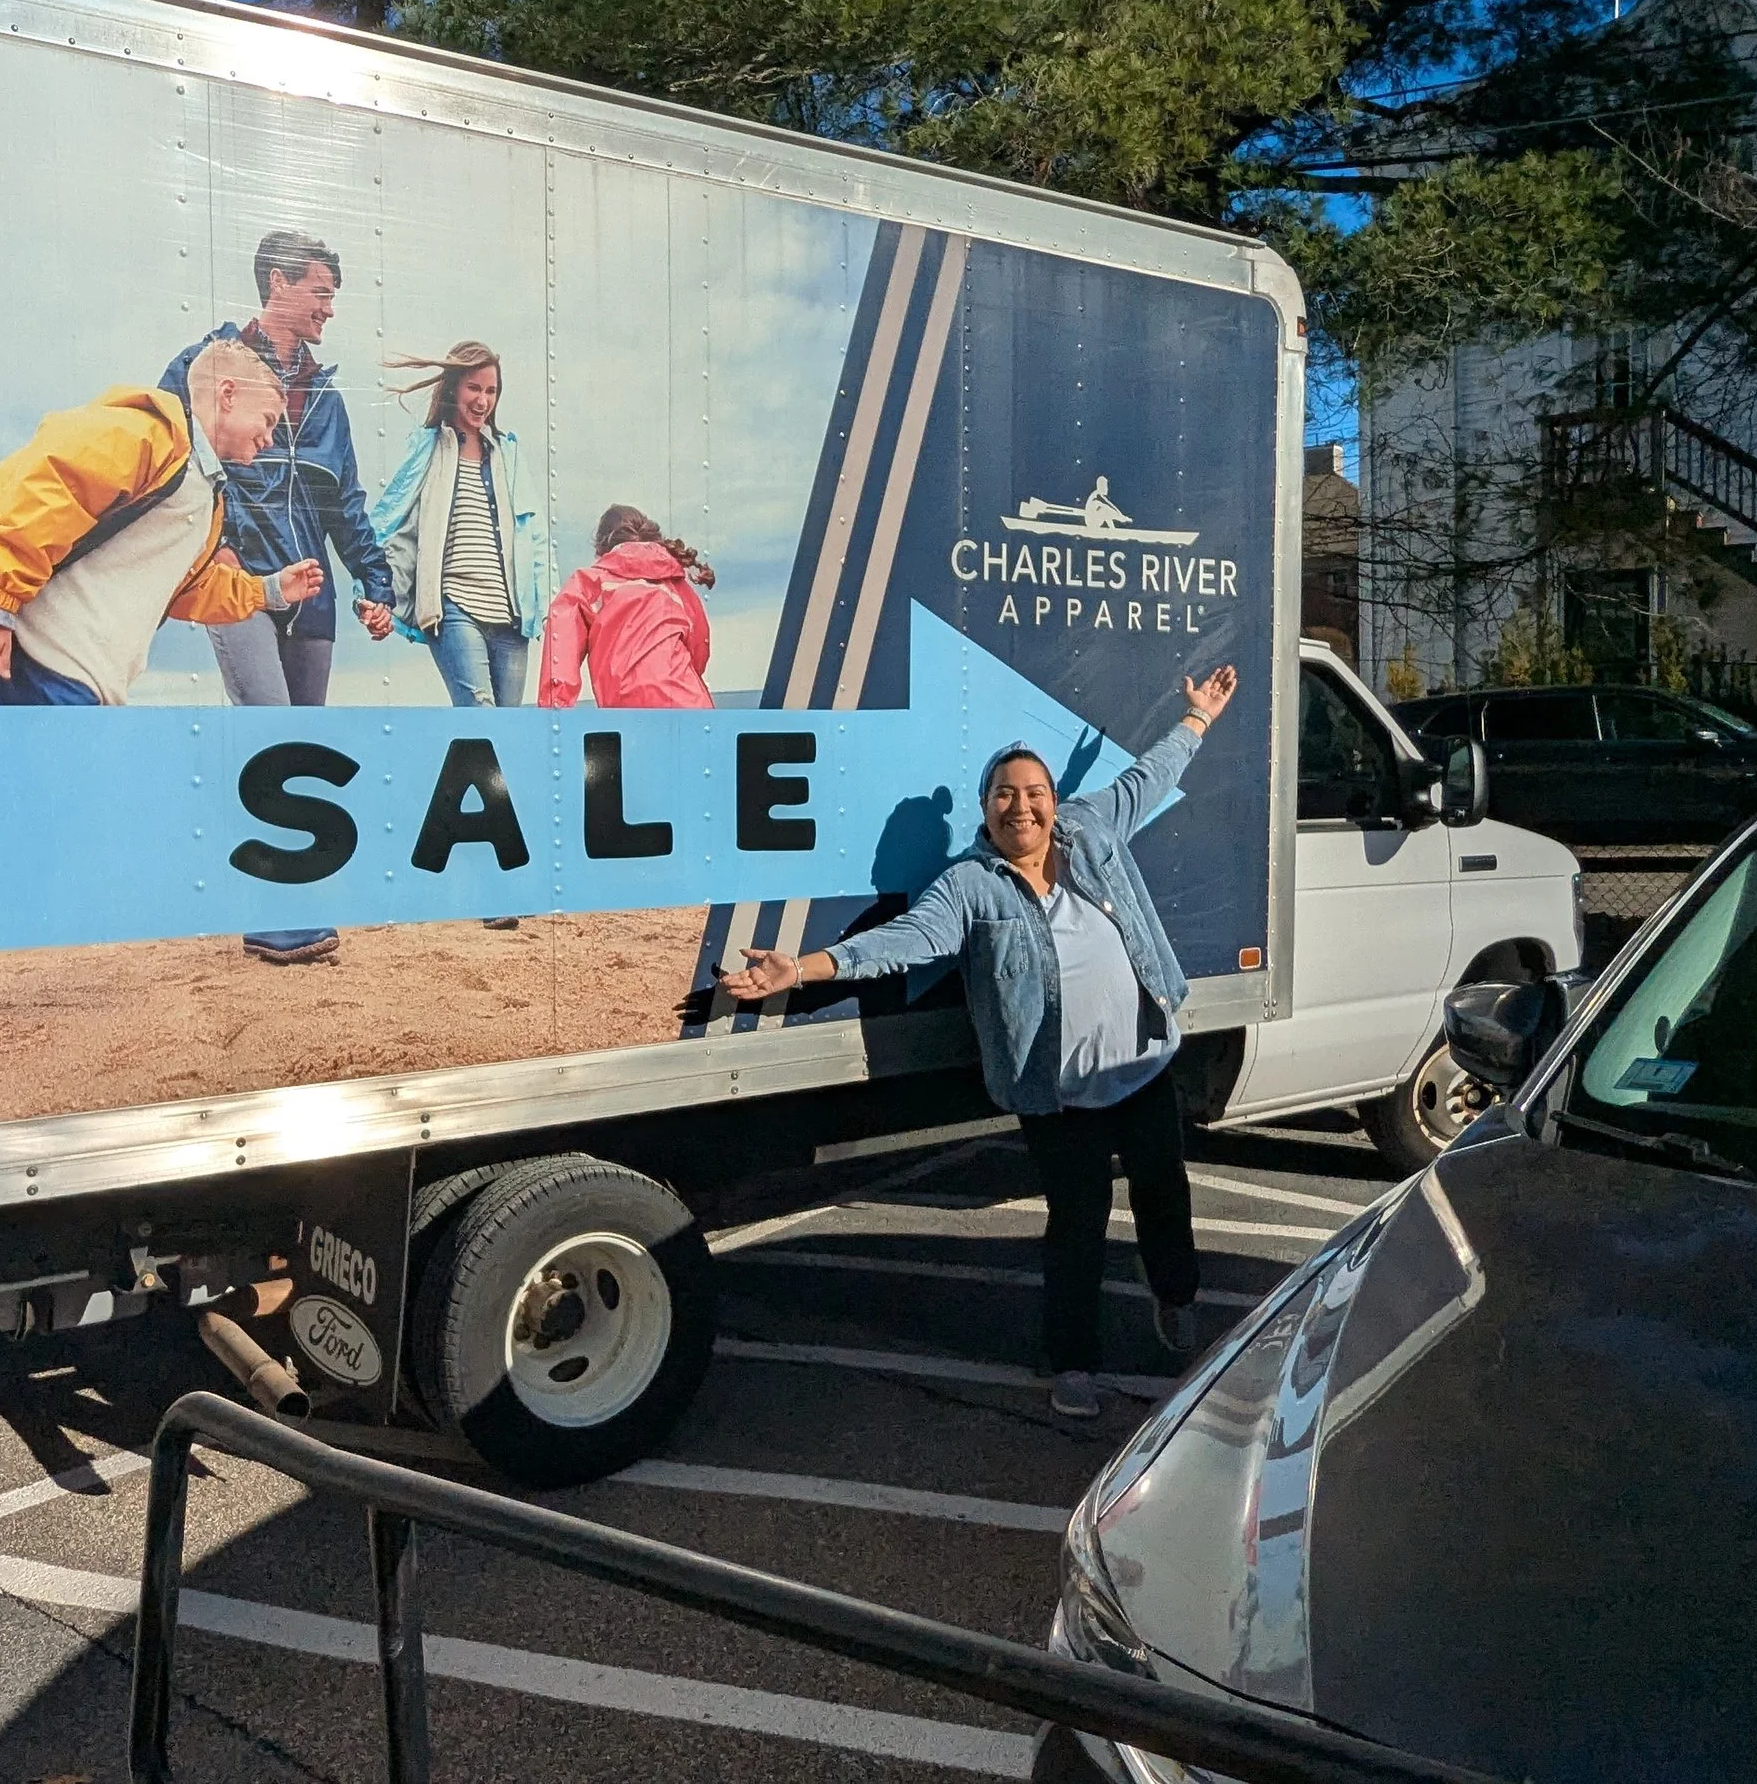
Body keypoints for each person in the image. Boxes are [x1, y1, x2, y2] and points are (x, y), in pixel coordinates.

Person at [719, 665, 1240, 1419]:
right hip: (1058, 1097)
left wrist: (1196, 720)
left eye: (1034, 793)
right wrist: (799, 968)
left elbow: (1144, 781)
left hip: (1143, 1064)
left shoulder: (1091, 831)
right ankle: (1074, 1365)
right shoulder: (971, 885)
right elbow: (903, 940)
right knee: (1077, 1228)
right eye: (1005, 794)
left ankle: (1177, 1297)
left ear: (1054, 803)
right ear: (985, 811)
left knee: (1166, 1201)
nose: (1021, 806)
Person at [0, 338, 323, 1033]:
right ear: (226, 392)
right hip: (55, 661)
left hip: (80, 675)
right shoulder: (143, 434)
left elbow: (186, 590)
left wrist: (264, 590)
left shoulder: (203, 493)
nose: (274, 431)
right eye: (269, 414)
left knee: (26, 829)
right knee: (35, 827)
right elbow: (40, 494)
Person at [161, 230, 397, 966]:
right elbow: (173, 461)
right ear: (277, 283)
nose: (330, 308)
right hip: (236, 581)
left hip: (313, 593)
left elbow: (344, 501)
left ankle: (296, 899)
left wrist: (376, 583)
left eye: (332, 295)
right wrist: (212, 545)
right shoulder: (203, 364)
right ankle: (269, 917)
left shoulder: (326, 396)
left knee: (302, 747)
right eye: (322, 292)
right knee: (267, 732)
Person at [368, 341, 547, 709]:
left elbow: (536, 535)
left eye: (491, 391)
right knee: (479, 715)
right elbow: (399, 530)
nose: (483, 400)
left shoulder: (509, 455)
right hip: (456, 608)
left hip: (510, 619)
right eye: (474, 388)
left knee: (507, 729)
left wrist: (548, 604)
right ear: (453, 389)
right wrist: (376, 595)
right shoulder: (430, 449)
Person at [537, 505, 717, 710]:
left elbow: (560, 652)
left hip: (628, 714)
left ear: (601, 548)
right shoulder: (676, 586)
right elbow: (699, 651)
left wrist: (554, 712)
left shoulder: (589, 584)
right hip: (691, 707)